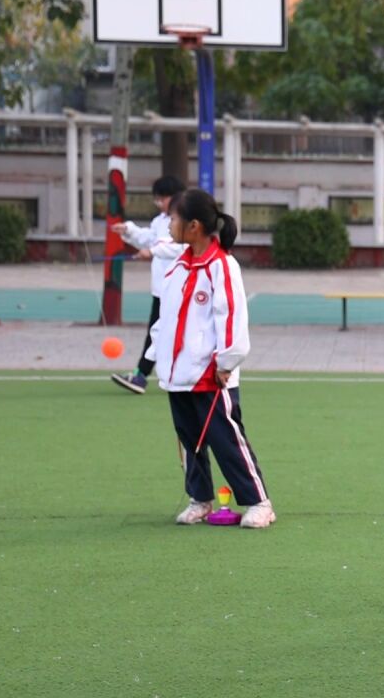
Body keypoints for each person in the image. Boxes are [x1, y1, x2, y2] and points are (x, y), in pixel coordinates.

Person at [145, 188, 275, 530]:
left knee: (226, 438)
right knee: (189, 440)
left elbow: (231, 316)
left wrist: (226, 362)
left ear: (194, 226)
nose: (169, 225)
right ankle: (199, 498)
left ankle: (259, 501)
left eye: (174, 218)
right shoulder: (178, 266)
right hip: (178, 373)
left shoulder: (222, 266)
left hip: (211, 372)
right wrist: (158, 355)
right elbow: (167, 316)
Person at [111, 175, 187, 394]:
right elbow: (150, 238)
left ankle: (141, 376)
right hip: (162, 290)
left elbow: (178, 246)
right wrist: (129, 230)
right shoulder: (160, 221)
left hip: (180, 289)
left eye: (161, 198)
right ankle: (142, 375)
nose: (159, 204)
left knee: (164, 333)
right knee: (159, 332)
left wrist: (152, 251)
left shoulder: (185, 220)